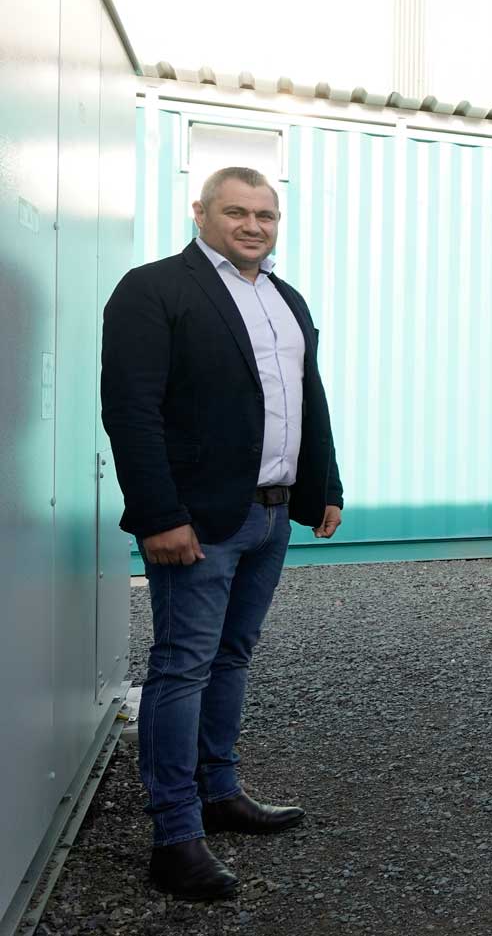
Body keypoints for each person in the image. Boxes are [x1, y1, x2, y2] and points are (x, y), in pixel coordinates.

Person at [102, 165, 344, 901]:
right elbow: (131, 409)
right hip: (198, 520)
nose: (252, 225)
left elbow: (308, 397)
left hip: (270, 513)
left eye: (265, 215)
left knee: (233, 657)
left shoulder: (285, 298)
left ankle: (220, 790)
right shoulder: (153, 290)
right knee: (183, 666)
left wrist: (323, 486)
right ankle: (174, 836)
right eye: (236, 212)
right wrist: (158, 515)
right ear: (199, 212)